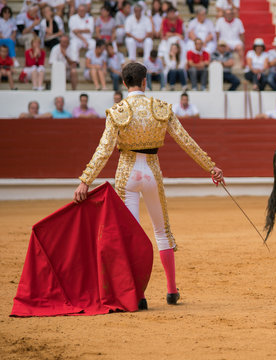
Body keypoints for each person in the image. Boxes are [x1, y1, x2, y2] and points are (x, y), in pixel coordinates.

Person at [73, 62, 224, 308]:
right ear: (145, 81)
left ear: (124, 83)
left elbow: (103, 151)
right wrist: (211, 167)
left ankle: (139, 295)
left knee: (131, 235)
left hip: (127, 174)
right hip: (152, 172)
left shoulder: (117, 111)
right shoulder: (160, 108)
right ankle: (172, 290)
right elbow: (187, 141)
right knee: (162, 231)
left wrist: (85, 181)